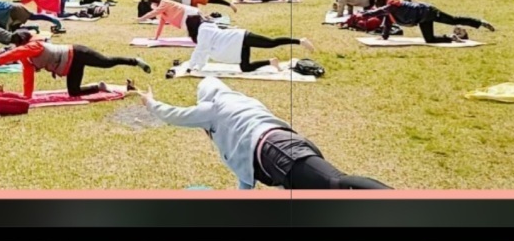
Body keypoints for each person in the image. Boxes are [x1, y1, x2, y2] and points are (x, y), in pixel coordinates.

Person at [133, 77, 392, 190]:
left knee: (335, 183)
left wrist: (149, 101)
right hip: (281, 148)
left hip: (277, 150)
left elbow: (173, 115)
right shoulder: (241, 102)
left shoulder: (212, 108)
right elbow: (245, 174)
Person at [0, 30, 151, 98]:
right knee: (74, 92)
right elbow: (27, 74)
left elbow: (16, 53)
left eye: (19, 45)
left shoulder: (33, 45)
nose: (18, 48)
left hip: (77, 53)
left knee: (106, 62)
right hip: (71, 65)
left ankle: (135, 61)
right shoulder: (26, 55)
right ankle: (99, 87)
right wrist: (28, 96)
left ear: (23, 42)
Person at [186, 16, 314, 74]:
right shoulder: (204, 29)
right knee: (245, 68)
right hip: (236, 45)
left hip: (240, 37)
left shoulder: (203, 30)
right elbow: (203, 52)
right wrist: (199, 67)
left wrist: (191, 66)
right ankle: (271, 62)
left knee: (271, 43)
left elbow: (200, 51)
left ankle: (300, 41)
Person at [368, 0, 496, 44]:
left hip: (428, 12)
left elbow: (383, 16)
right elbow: (387, 25)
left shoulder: (393, 5)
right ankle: (451, 37)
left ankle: (480, 23)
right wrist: (384, 38)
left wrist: (365, 14)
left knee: (453, 19)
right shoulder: (389, 12)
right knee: (429, 40)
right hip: (423, 19)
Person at [138, 0, 205, 40]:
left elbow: (155, 12)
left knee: (201, 28)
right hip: (184, 20)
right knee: (198, 32)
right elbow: (160, 25)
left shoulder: (164, 2)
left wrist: (142, 18)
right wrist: (156, 37)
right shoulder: (163, 13)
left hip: (188, 14)